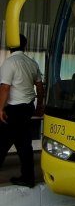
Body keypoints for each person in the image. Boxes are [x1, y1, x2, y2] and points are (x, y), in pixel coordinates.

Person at [0, 34, 44, 188]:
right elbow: (39, 86)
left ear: (10, 45)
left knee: (5, 142)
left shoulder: (10, 63)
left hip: (13, 109)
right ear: (24, 46)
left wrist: (0, 109)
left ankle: (28, 178)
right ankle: (28, 177)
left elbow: (5, 87)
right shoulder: (32, 63)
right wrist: (40, 106)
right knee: (23, 143)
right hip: (27, 108)